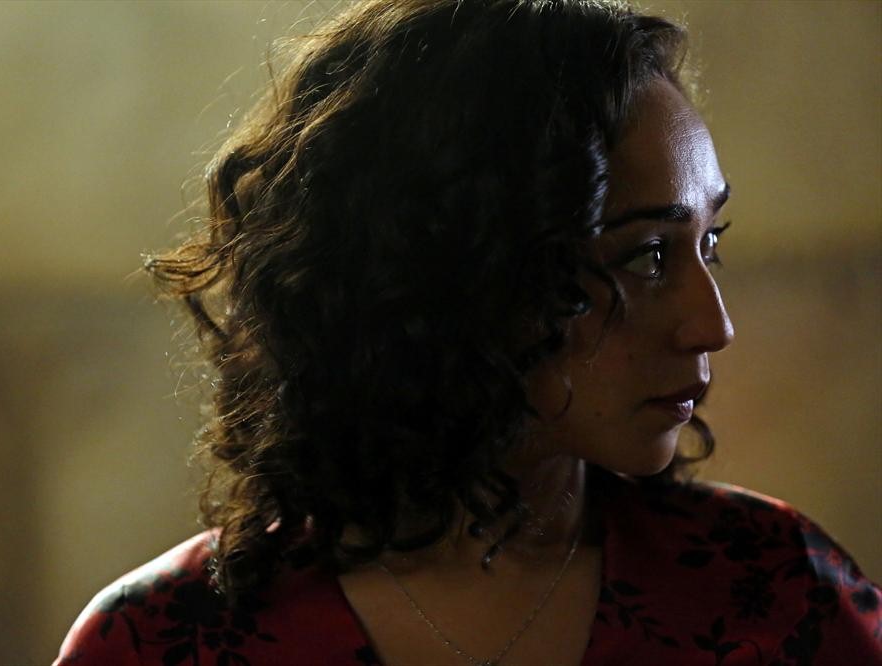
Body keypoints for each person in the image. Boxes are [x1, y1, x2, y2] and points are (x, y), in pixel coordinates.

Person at [53, 1, 882, 664]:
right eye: (647, 255)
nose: (713, 324)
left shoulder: (776, 595)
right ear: (455, 268)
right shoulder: (167, 641)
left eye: (709, 244)